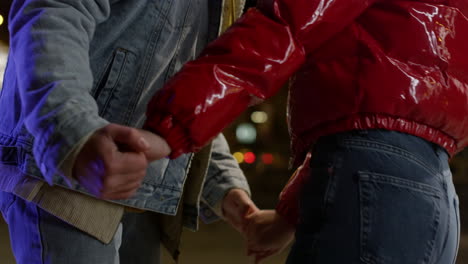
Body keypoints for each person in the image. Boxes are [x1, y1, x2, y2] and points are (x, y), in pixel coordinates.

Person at [144, 0, 467, 263]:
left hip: (375, 183)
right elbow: (387, 130)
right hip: (433, 196)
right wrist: (290, 212)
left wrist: (169, 127)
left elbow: (285, 28)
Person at [0, 0, 257, 263]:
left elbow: (177, 91)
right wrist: (73, 130)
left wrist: (225, 187)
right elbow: (53, 9)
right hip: (70, 176)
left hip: (140, 188)